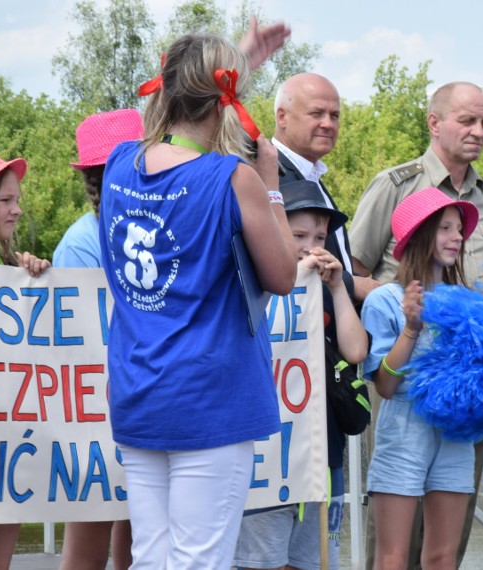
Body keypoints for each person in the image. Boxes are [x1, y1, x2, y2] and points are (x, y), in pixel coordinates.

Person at [98, 31, 296, 569]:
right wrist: (272, 184)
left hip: (139, 393)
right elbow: (282, 275)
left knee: (152, 559)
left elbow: (193, 94)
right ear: (225, 99)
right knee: (199, 561)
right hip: (209, 399)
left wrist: (238, 61)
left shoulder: (120, 163)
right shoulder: (233, 178)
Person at [348, 81, 483, 569]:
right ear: (435, 123)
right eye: (466, 120)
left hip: (467, 399)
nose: (478, 131)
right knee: (395, 544)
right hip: (408, 390)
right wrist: (406, 312)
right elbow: (350, 268)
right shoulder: (397, 184)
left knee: (448, 546)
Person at [234, 179, 369, 570]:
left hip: (319, 456)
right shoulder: (252, 284)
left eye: (321, 236)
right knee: (259, 561)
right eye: (298, 234)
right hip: (266, 457)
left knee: (309, 561)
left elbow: (356, 349)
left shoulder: (328, 286)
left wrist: (340, 290)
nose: (312, 245)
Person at [360, 186, 480, 570]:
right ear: (419, 234)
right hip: (404, 429)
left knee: (443, 556)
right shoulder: (384, 300)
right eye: (445, 228)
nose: (457, 237)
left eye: (459, 229)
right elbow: (385, 385)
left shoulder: (467, 302)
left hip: (455, 432)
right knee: (392, 558)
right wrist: (411, 328)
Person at [52, 108, 144, 570]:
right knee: (89, 538)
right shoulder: (81, 243)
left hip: (143, 401)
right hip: (95, 414)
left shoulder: (151, 231)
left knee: (138, 537)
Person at [0, 149, 51, 570]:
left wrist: (37, 280)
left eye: (17, 199)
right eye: (7, 200)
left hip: (5, 455)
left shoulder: (10, 276)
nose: (18, 209)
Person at [272, 72, 378, 302]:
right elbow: (272, 265)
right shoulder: (268, 174)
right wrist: (353, 284)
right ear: (282, 117)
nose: (328, 124)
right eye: (316, 113)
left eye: (335, 115)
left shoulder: (311, 175)